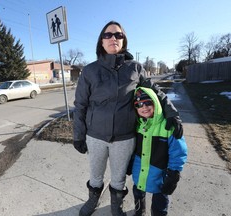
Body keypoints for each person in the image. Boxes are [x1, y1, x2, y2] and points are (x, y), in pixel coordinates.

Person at [73, 20, 183, 216]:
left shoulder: (135, 68)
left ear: (124, 40)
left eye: (118, 35)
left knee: (118, 178)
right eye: (108, 35)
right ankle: (92, 200)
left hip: (124, 138)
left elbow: (155, 92)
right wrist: (78, 135)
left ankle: (117, 207)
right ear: (101, 41)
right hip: (95, 135)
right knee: (96, 175)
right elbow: (80, 105)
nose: (113, 38)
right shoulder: (90, 71)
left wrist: (172, 113)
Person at [131, 87, 188, 216]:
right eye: (139, 104)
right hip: (140, 171)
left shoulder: (168, 126)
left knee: (160, 199)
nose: (144, 107)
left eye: (148, 102)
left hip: (160, 173)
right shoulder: (138, 125)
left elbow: (178, 151)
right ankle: (140, 210)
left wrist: (174, 173)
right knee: (138, 191)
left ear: (155, 102)